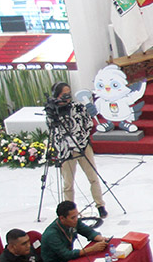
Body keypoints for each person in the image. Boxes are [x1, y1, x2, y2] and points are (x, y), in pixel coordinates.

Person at [46, 82, 107, 218]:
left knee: (93, 177)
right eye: (64, 94)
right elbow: (53, 132)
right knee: (68, 184)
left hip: (82, 146)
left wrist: (80, 140)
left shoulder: (78, 107)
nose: (67, 96)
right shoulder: (52, 112)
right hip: (65, 150)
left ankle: (100, 205)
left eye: (69, 93)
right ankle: (69, 211)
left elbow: (88, 124)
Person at [41, 200, 108, 262]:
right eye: (73, 218)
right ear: (62, 218)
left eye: (77, 216)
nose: (76, 219)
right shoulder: (52, 234)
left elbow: (88, 232)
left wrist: (100, 238)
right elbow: (66, 254)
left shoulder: (74, 221)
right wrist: (92, 249)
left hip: (69, 258)